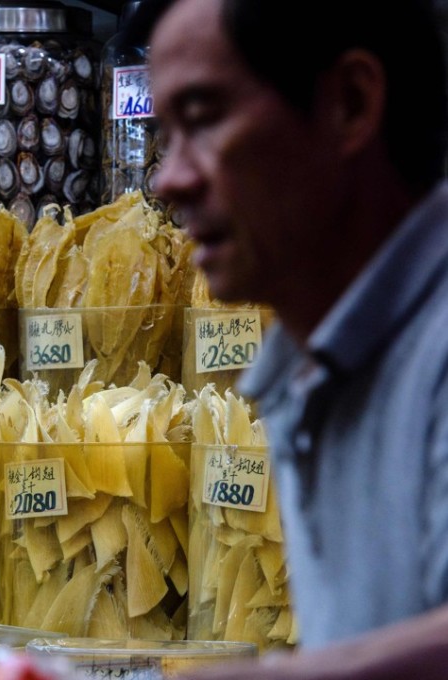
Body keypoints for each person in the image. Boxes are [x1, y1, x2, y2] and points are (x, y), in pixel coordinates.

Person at [120, 0, 448, 676]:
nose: (169, 179)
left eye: (205, 120)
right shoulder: (303, 366)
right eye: (164, 135)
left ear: (352, 104)